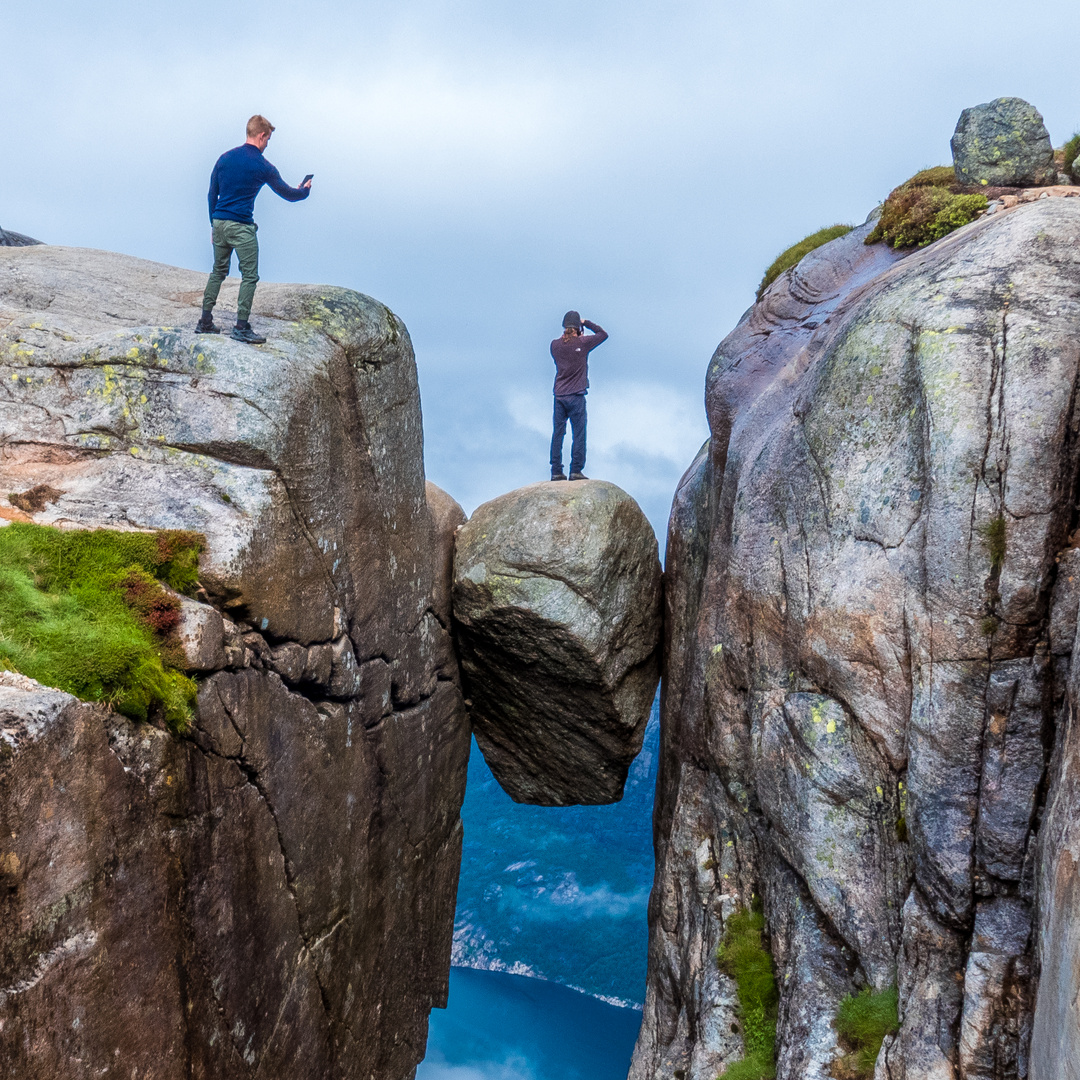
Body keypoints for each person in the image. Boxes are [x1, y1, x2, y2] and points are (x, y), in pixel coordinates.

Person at [196, 115, 312, 344]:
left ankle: (205, 321)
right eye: (268, 139)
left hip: (219, 221)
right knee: (250, 276)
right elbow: (288, 194)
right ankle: (241, 327)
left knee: (218, 271)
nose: (267, 144)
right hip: (241, 226)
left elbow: (212, 194)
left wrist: (213, 223)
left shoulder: (224, 158)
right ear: (261, 135)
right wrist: (304, 191)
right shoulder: (263, 165)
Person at [549, 310, 608, 481]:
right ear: (578, 328)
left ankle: (556, 471)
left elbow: (563, 348)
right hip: (576, 395)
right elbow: (603, 334)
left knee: (558, 434)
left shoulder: (555, 345)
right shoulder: (584, 343)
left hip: (559, 395)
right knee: (579, 433)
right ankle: (575, 470)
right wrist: (587, 322)